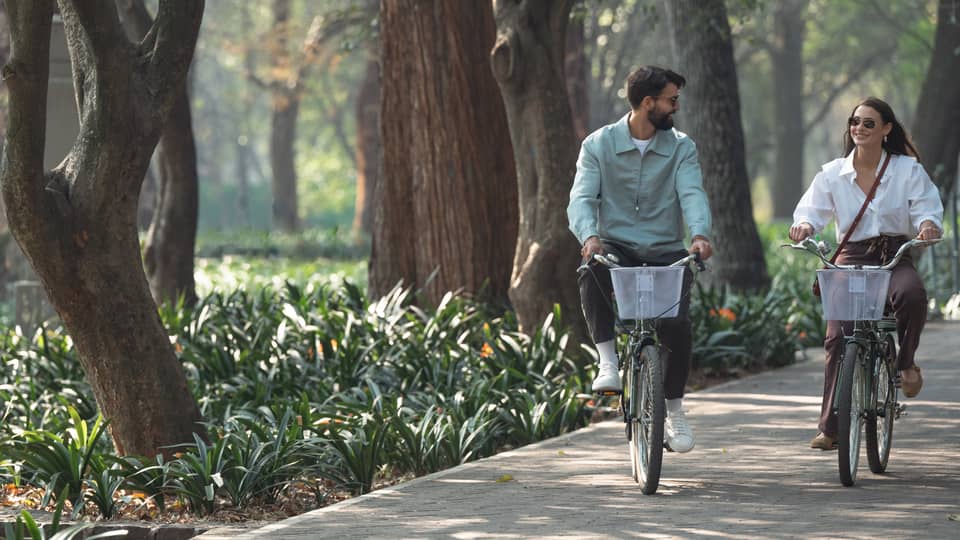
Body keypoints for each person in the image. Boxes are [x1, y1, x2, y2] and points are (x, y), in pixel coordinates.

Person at [567, 66, 713, 453]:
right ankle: (608, 362)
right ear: (648, 103)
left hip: (666, 247)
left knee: (677, 326)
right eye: (671, 100)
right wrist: (589, 236)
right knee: (591, 269)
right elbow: (582, 198)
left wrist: (699, 235)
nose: (676, 108)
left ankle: (675, 411)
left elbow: (692, 193)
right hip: (616, 244)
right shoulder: (598, 145)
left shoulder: (682, 147)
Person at [789, 96, 943, 451]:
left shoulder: (907, 170)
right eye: (854, 122)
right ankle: (830, 427)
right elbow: (810, 211)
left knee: (912, 294)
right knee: (838, 337)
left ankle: (906, 364)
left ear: (886, 129)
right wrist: (804, 227)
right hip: (851, 257)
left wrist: (928, 225)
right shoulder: (832, 173)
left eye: (868, 123)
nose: (859, 128)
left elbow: (927, 208)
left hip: (894, 256)